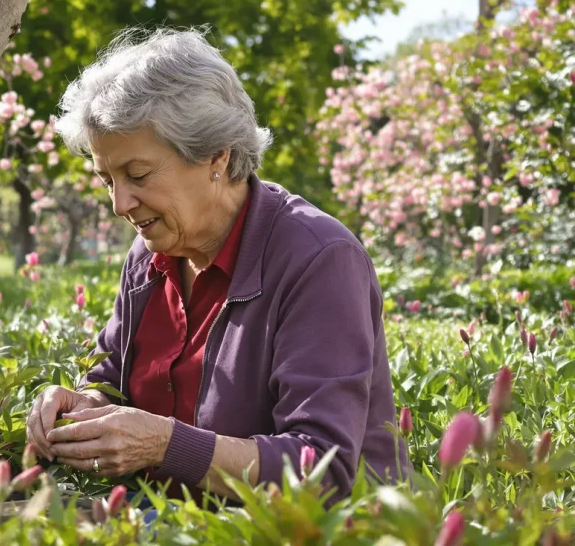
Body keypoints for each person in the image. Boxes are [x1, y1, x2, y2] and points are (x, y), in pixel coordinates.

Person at [25, 27, 411, 504]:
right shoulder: (151, 256)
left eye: (138, 174)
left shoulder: (318, 259)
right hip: (164, 524)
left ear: (216, 156)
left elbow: (323, 469)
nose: (120, 203)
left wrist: (165, 444)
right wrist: (84, 404)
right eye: (107, 179)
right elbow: (113, 380)